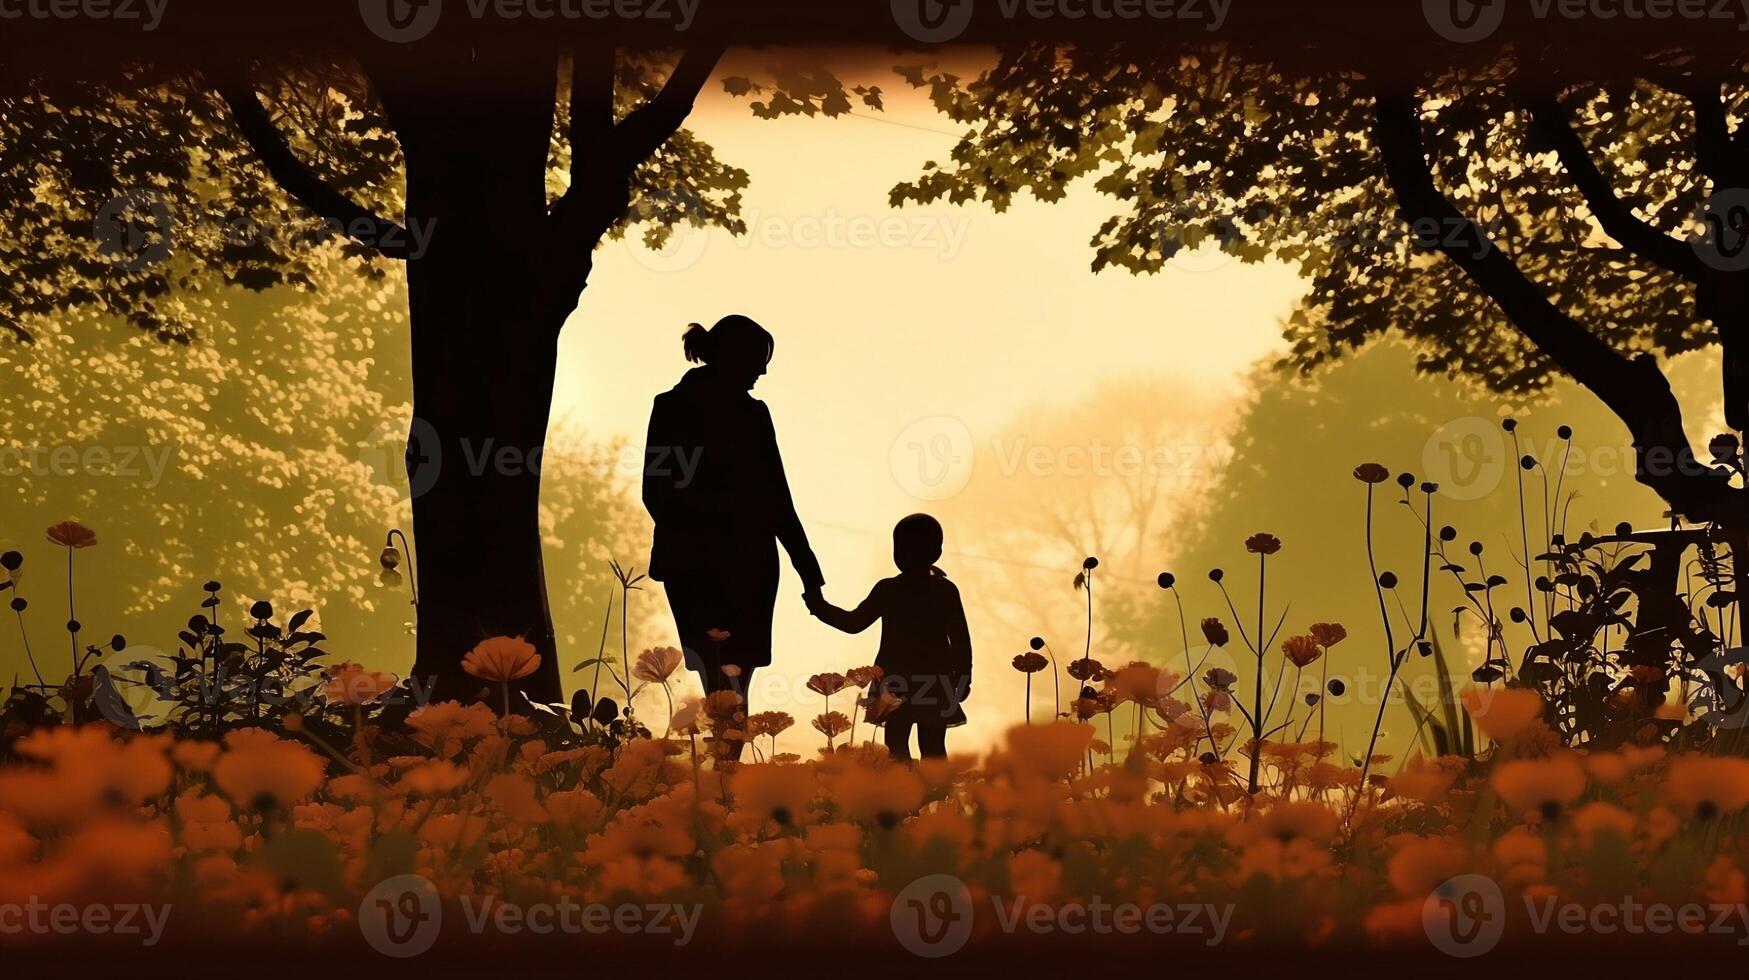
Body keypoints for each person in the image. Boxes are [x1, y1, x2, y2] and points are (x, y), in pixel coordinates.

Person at [642, 315, 824, 708]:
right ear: (734, 357)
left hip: (711, 561)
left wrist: (808, 570)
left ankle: (724, 765)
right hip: (732, 561)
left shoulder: (682, 408)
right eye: (758, 358)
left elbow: (775, 499)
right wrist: (807, 571)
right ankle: (728, 765)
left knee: (724, 674)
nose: (764, 369)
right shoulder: (740, 415)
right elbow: (776, 499)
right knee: (729, 674)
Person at [805, 514, 972, 759]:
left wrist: (818, 606)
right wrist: (963, 679)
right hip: (934, 683)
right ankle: (937, 795)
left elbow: (854, 623)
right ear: (937, 551)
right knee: (932, 748)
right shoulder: (944, 590)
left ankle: (902, 795)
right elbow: (960, 641)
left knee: (897, 750)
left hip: (897, 682)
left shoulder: (890, 589)